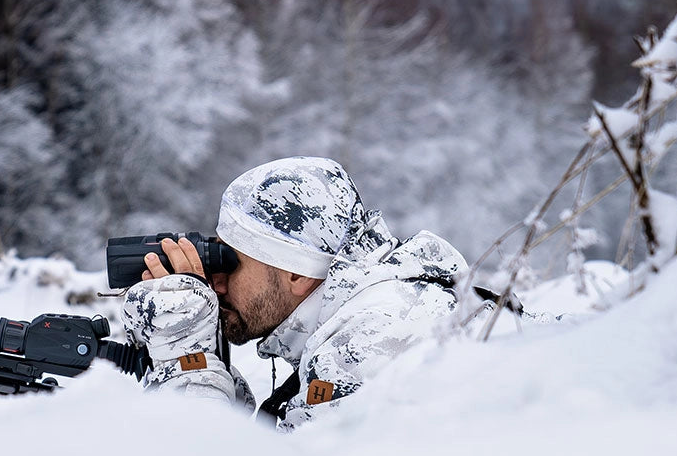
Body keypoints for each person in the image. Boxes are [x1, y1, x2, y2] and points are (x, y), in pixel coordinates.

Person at [120, 156, 467, 428]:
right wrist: (207, 363)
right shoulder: (374, 312)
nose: (217, 283)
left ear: (296, 274)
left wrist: (186, 361)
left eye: (231, 261)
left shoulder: (371, 341)